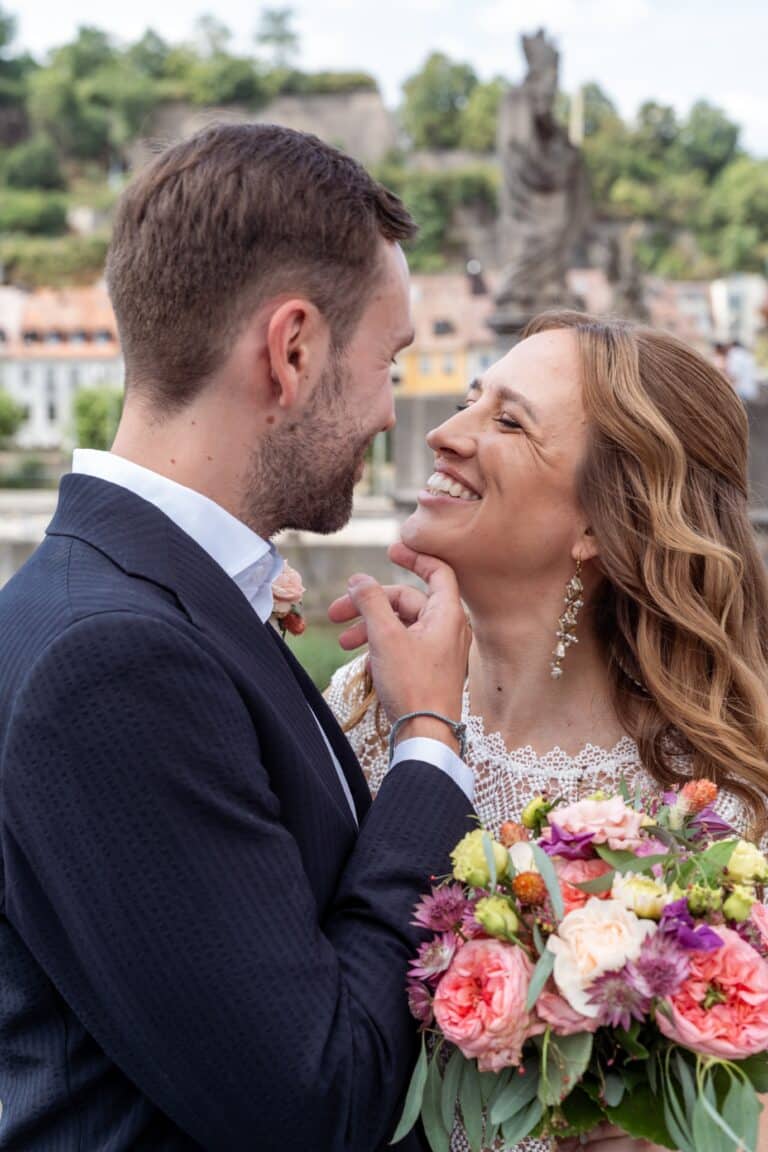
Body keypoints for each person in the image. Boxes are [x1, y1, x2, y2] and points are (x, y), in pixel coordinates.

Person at [0, 124, 477, 1151]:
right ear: (293, 349)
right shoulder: (114, 662)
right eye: (387, 362)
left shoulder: (135, 601)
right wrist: (430, 741)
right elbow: (317, 1100)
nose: (397, 414)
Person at [328, 310, 768, 1152]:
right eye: (469, 400)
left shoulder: (713, 806)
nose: (445, 435)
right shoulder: (362, 705)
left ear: (599, 527)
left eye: (508, 420)